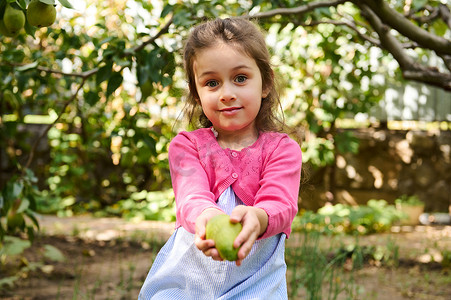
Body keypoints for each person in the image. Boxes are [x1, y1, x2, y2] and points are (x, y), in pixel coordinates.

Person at [139, 17, 302, 299]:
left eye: (240, 78)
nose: (227, 94)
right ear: (196, 93)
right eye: (212, 83)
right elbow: (192, 197)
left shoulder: (282, 150)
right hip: (190, 284)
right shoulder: (187, 146)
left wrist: (258, 216)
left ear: (265, 83)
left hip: (256, 286)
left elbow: (281, 202)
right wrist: (208, 216)